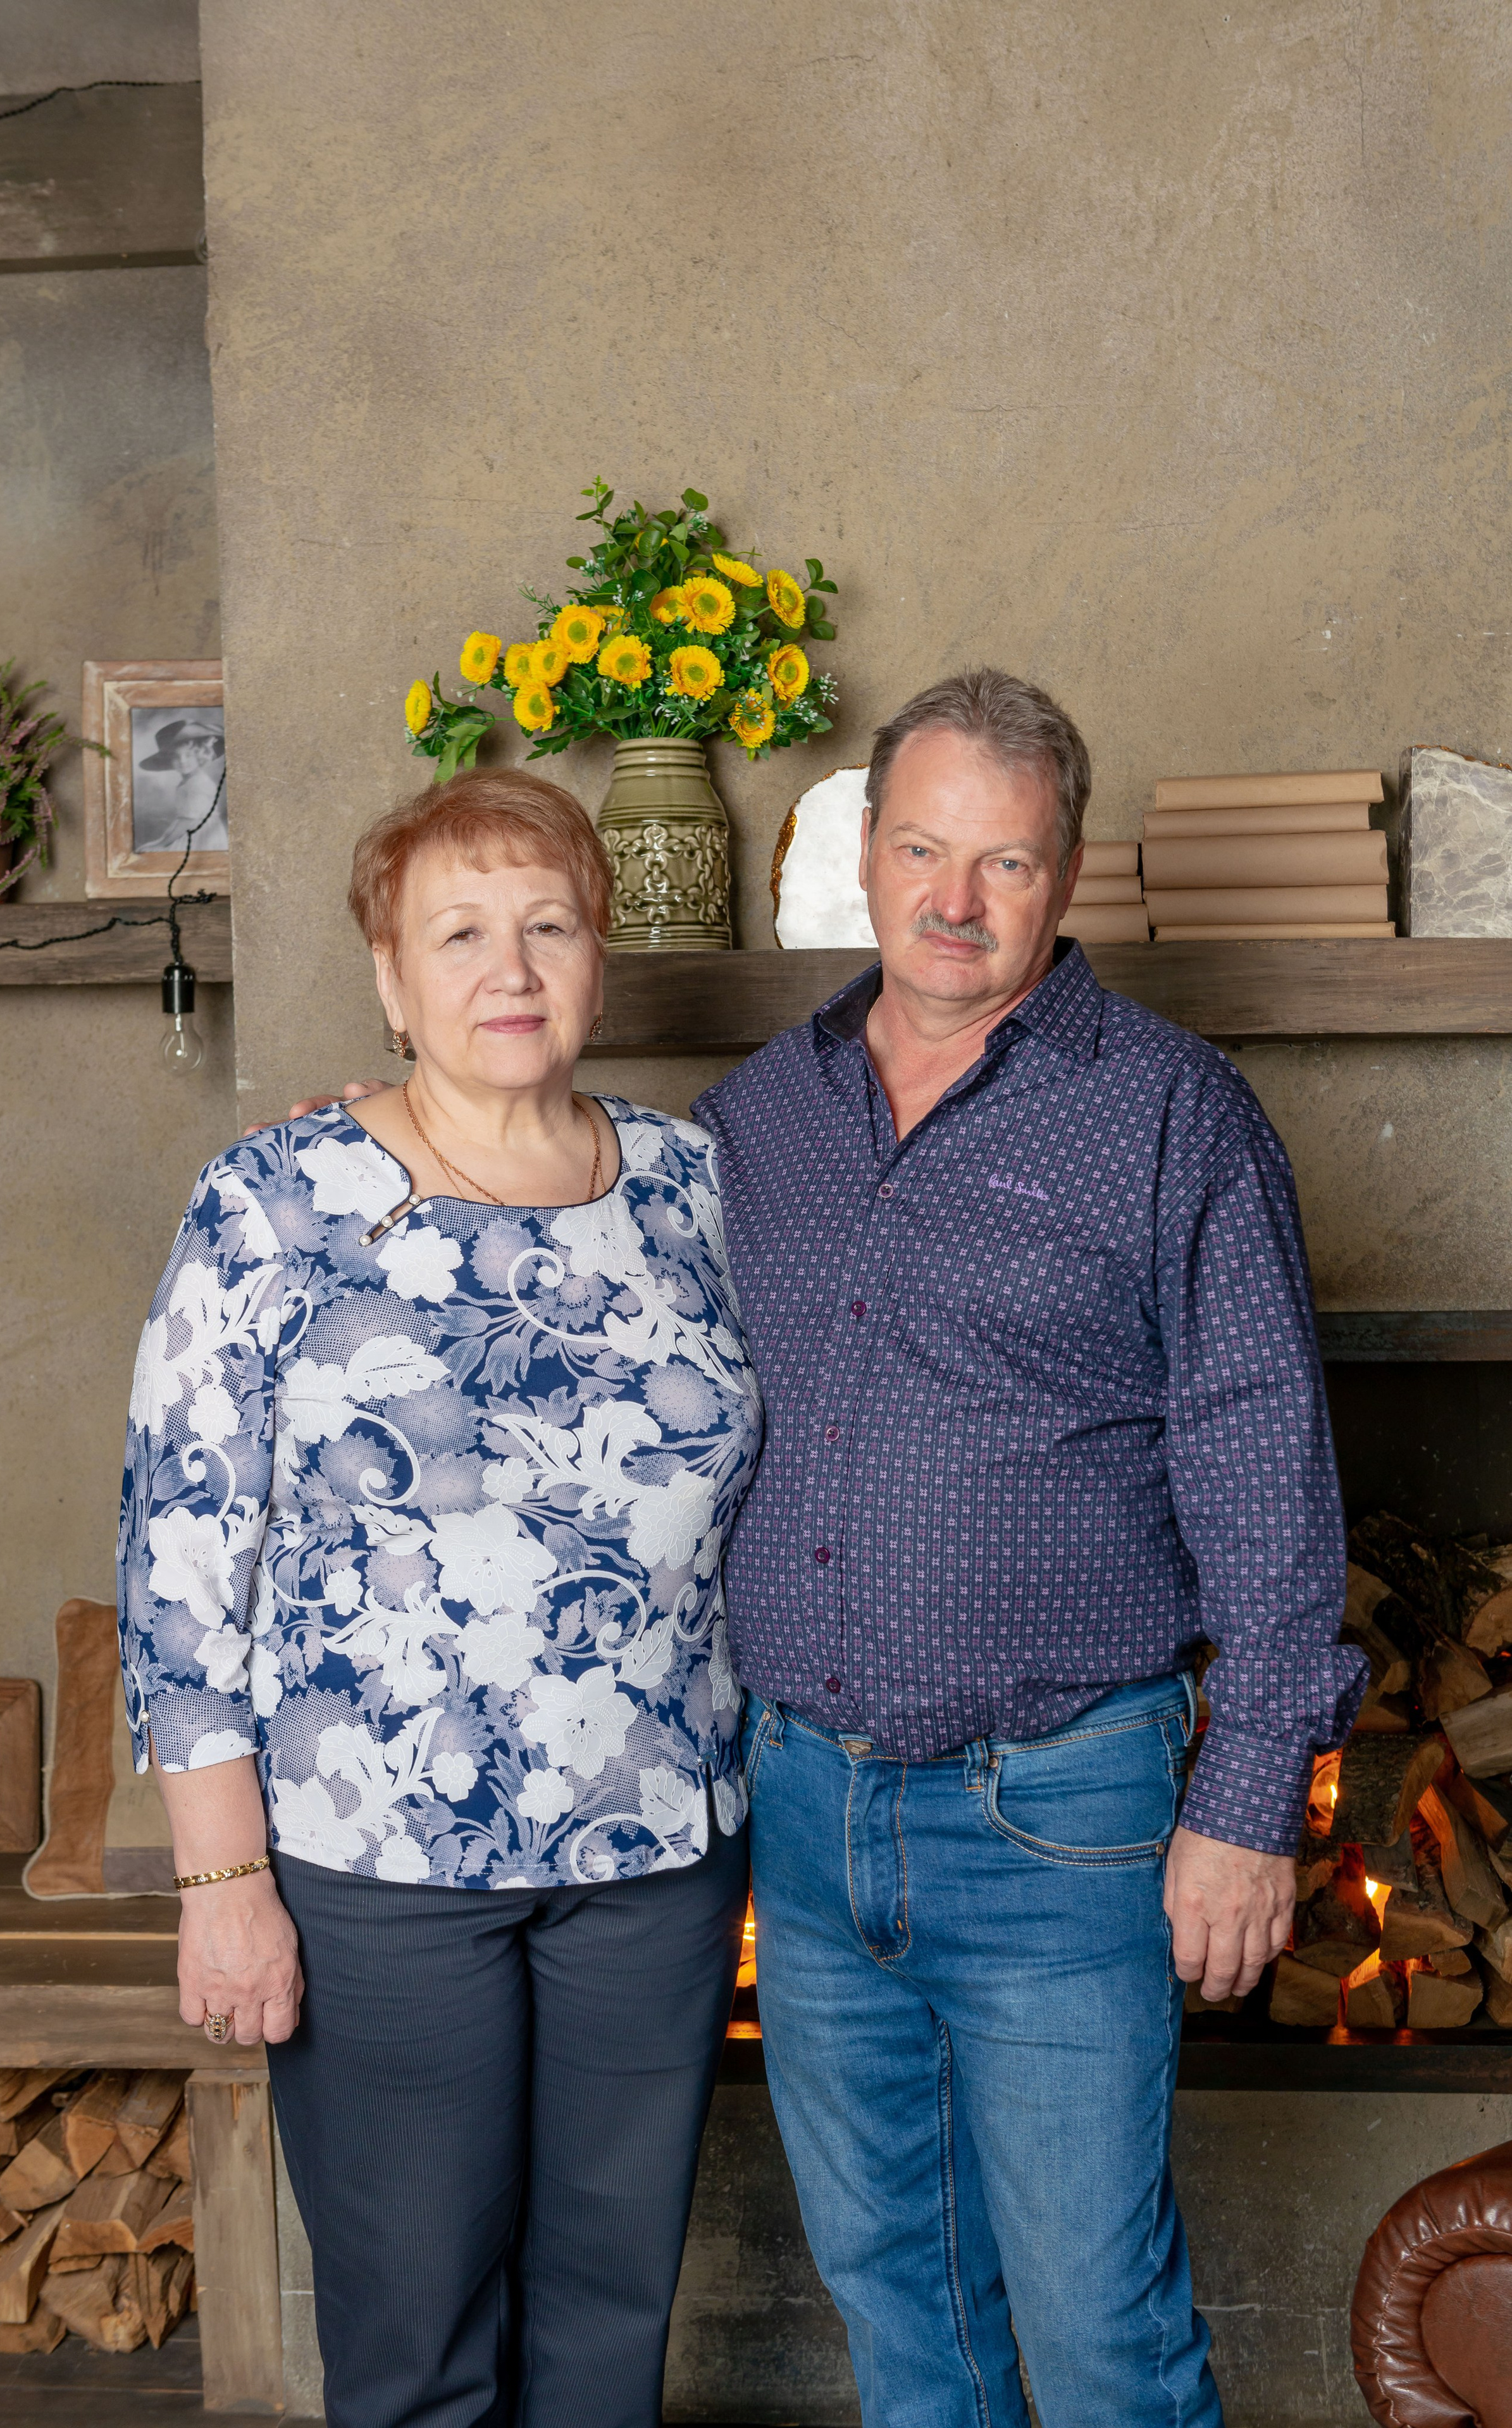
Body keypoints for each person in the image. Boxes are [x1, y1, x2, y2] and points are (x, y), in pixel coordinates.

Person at [293, 669, 1364, 2428]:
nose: (957, 898)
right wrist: (386, 1148)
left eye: (1005, 863)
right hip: (799, 1810)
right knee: (898, 2302)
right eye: (925, 846)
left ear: (1068, 875)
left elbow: (1267, 1467)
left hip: (1064, 1813)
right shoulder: (746, 1123)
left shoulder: (1174, 1114)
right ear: (862, 856)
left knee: (1102, 2323)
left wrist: (1247, 1802)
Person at [118, 767, 762, 2428]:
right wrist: (223, 1875)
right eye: (460, 931)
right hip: (383, 1867)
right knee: (414, 2342)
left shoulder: (699, 1188)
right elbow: (183, 1555)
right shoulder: (278, 1201)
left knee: (613, 2323)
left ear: (601, 955)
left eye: (549, 923)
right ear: (394, 979)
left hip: (657, 1859)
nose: (511, 966)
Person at [135, 716, 228, 852]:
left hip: (202, 835)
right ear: (169, 761)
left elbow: (187, 821)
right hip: (188, 830)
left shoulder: (198, 784)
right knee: (147, 849)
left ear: (200, 756)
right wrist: (160, 841)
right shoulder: (188, 782)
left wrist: (162, 844)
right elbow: (181, 819)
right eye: (176, 757)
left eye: (188, 756)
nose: (183, 761)